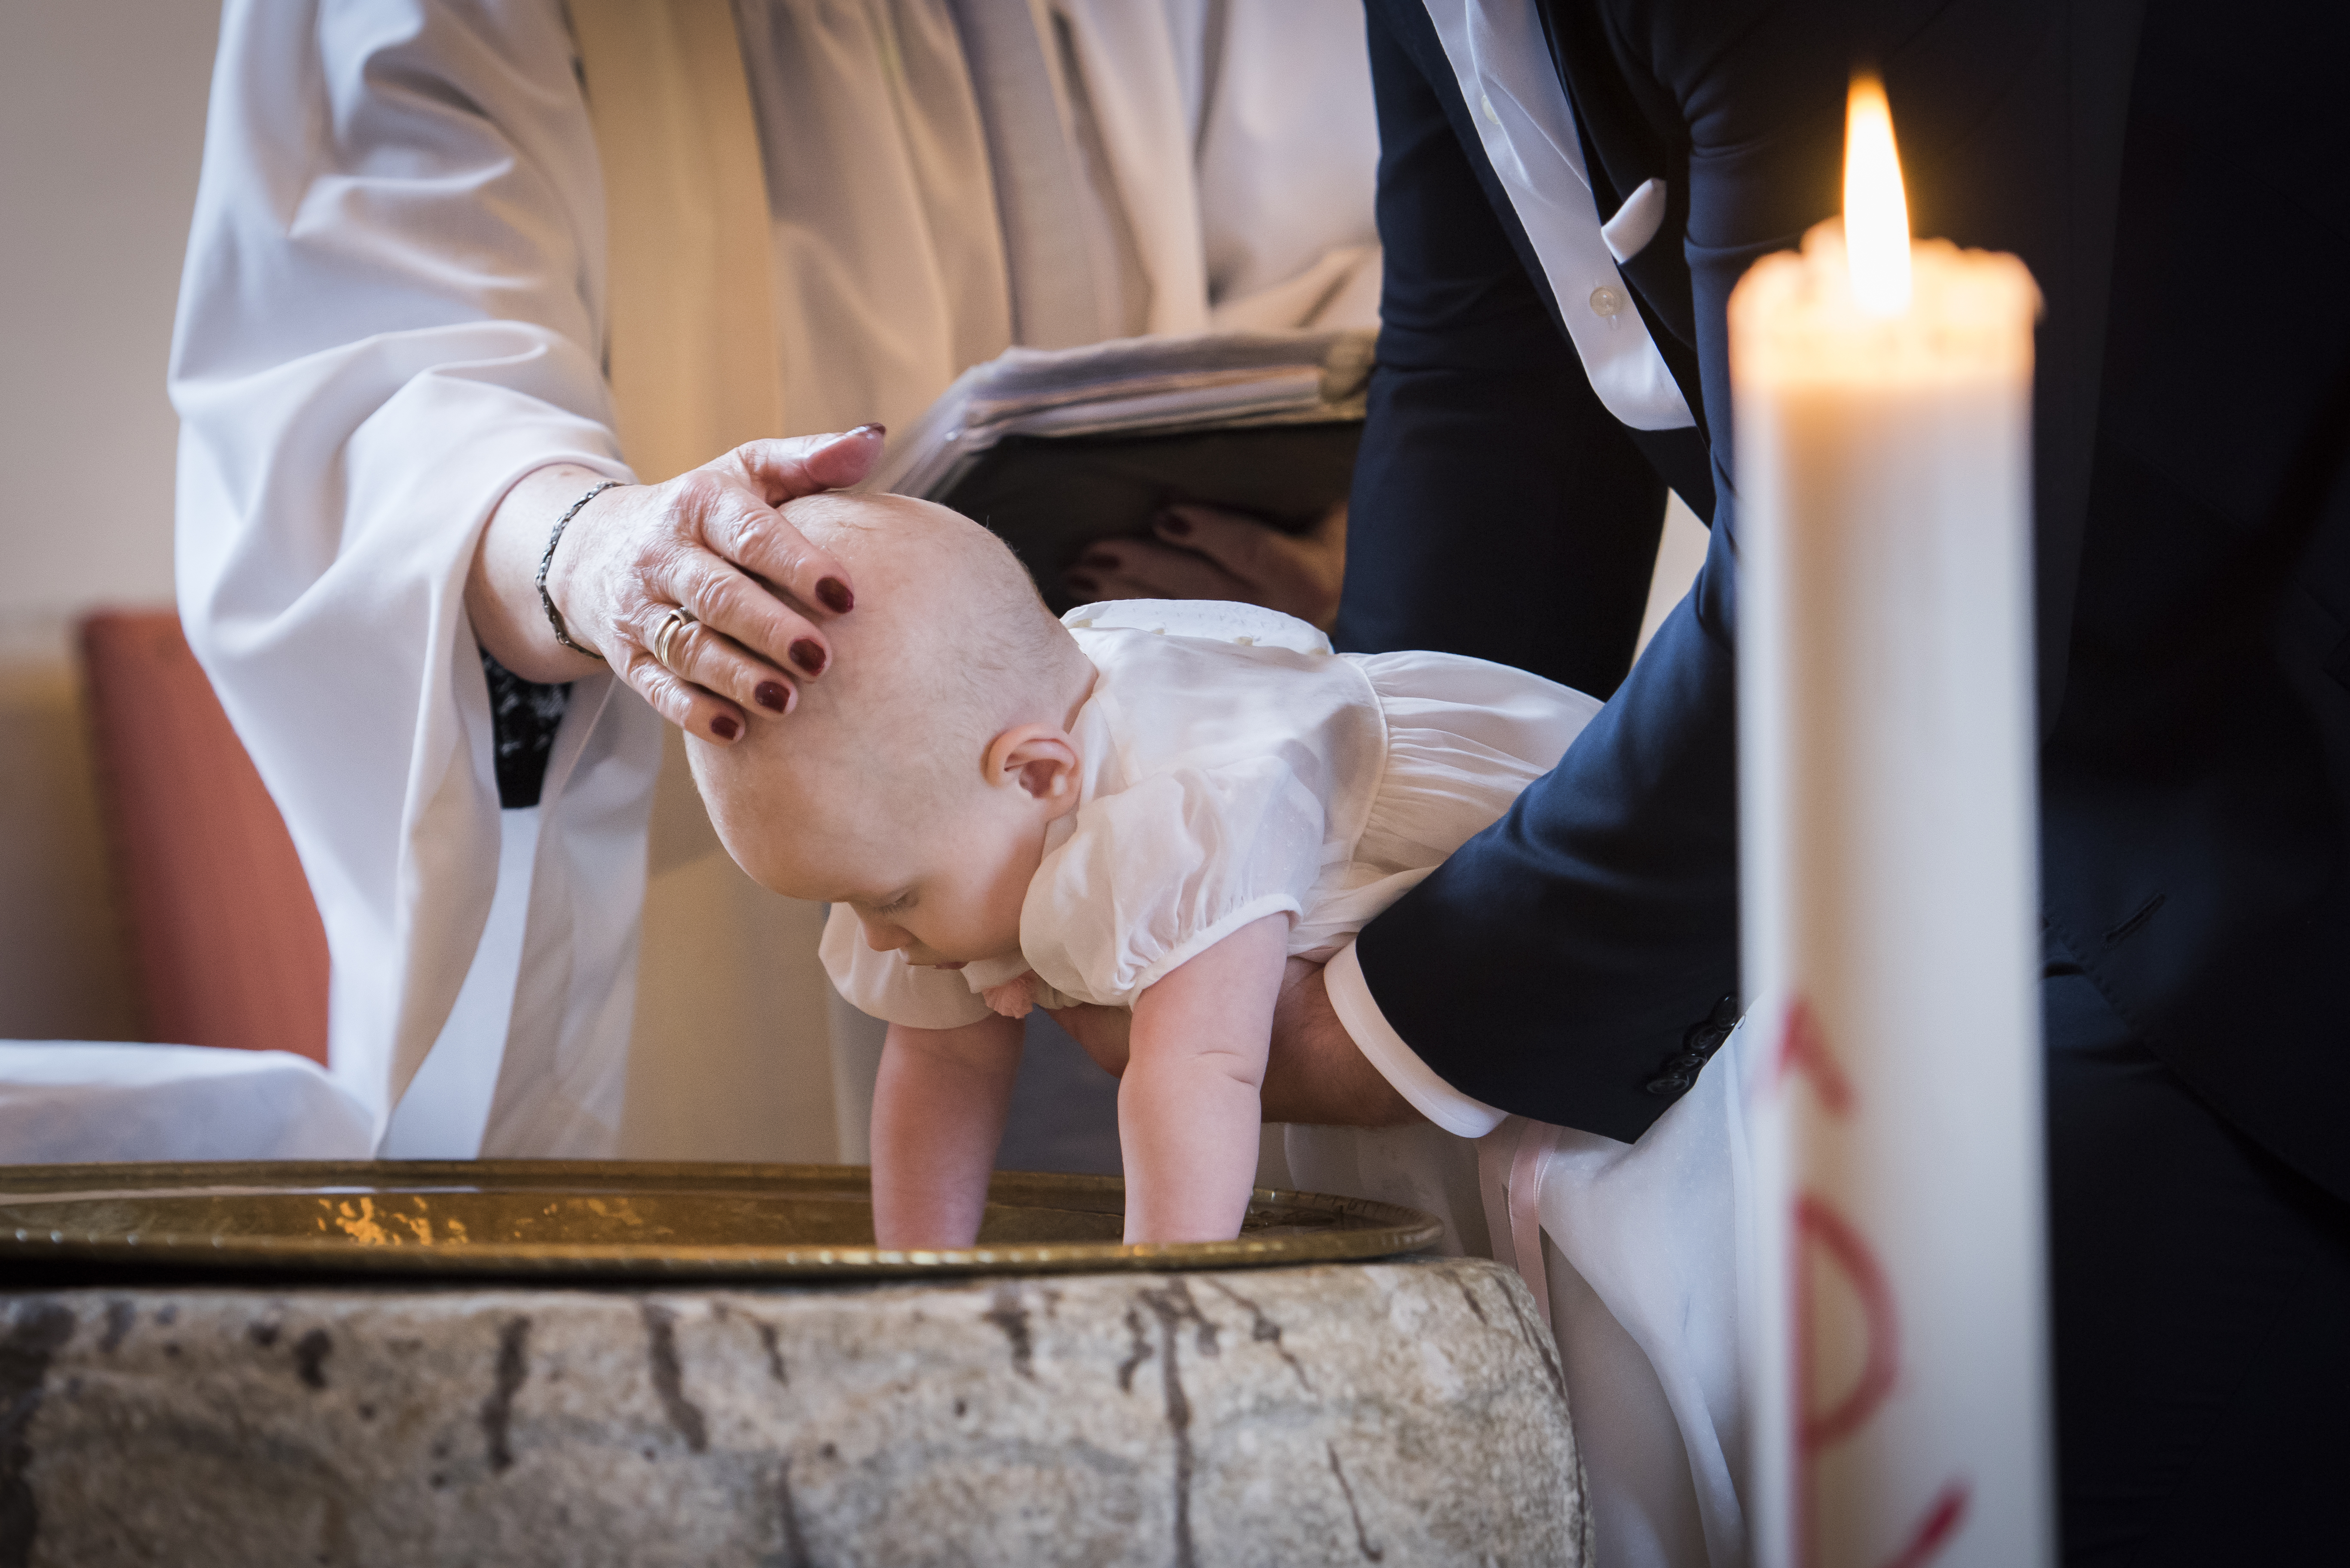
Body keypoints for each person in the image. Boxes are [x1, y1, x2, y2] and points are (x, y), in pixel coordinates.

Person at [1192, 1, 2347, 1563]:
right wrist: (1347, 851)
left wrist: (1388, 1021)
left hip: (2269, 795)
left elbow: (1867, 586)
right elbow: (1492, 392)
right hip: (2010, 758)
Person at [169, 0, 1376, 1161]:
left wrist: (1338, 526)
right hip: (700, 868)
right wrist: (602, 554)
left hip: (1179, 789)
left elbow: (1365, 262)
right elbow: (372, 378)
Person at [683, 490, 1598, 1245]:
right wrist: (916, 1284)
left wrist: (1160, 1307)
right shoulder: (938, 812)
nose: (877, 934)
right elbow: (941, 1063)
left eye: (889, 899)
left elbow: (1198, 1073)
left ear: (1038, 773)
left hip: (1573, 919)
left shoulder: (1192, 795)